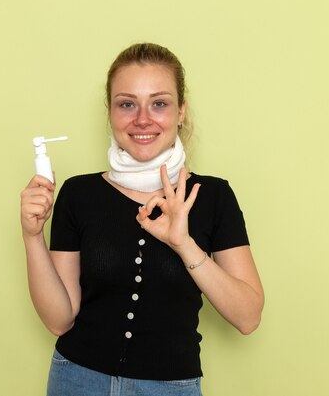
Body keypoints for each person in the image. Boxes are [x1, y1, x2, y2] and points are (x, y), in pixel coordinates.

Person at [20, 43, 264, 396]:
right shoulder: (78, 194)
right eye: (127, 104)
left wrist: (184, 244)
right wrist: (32, 236)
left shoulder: (213, 197)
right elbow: (59, 320)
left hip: (169, 387)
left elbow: (248, 318)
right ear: (110, 113)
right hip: (76, 380)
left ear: (181, 111)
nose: (143, 119)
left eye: (159, 103)